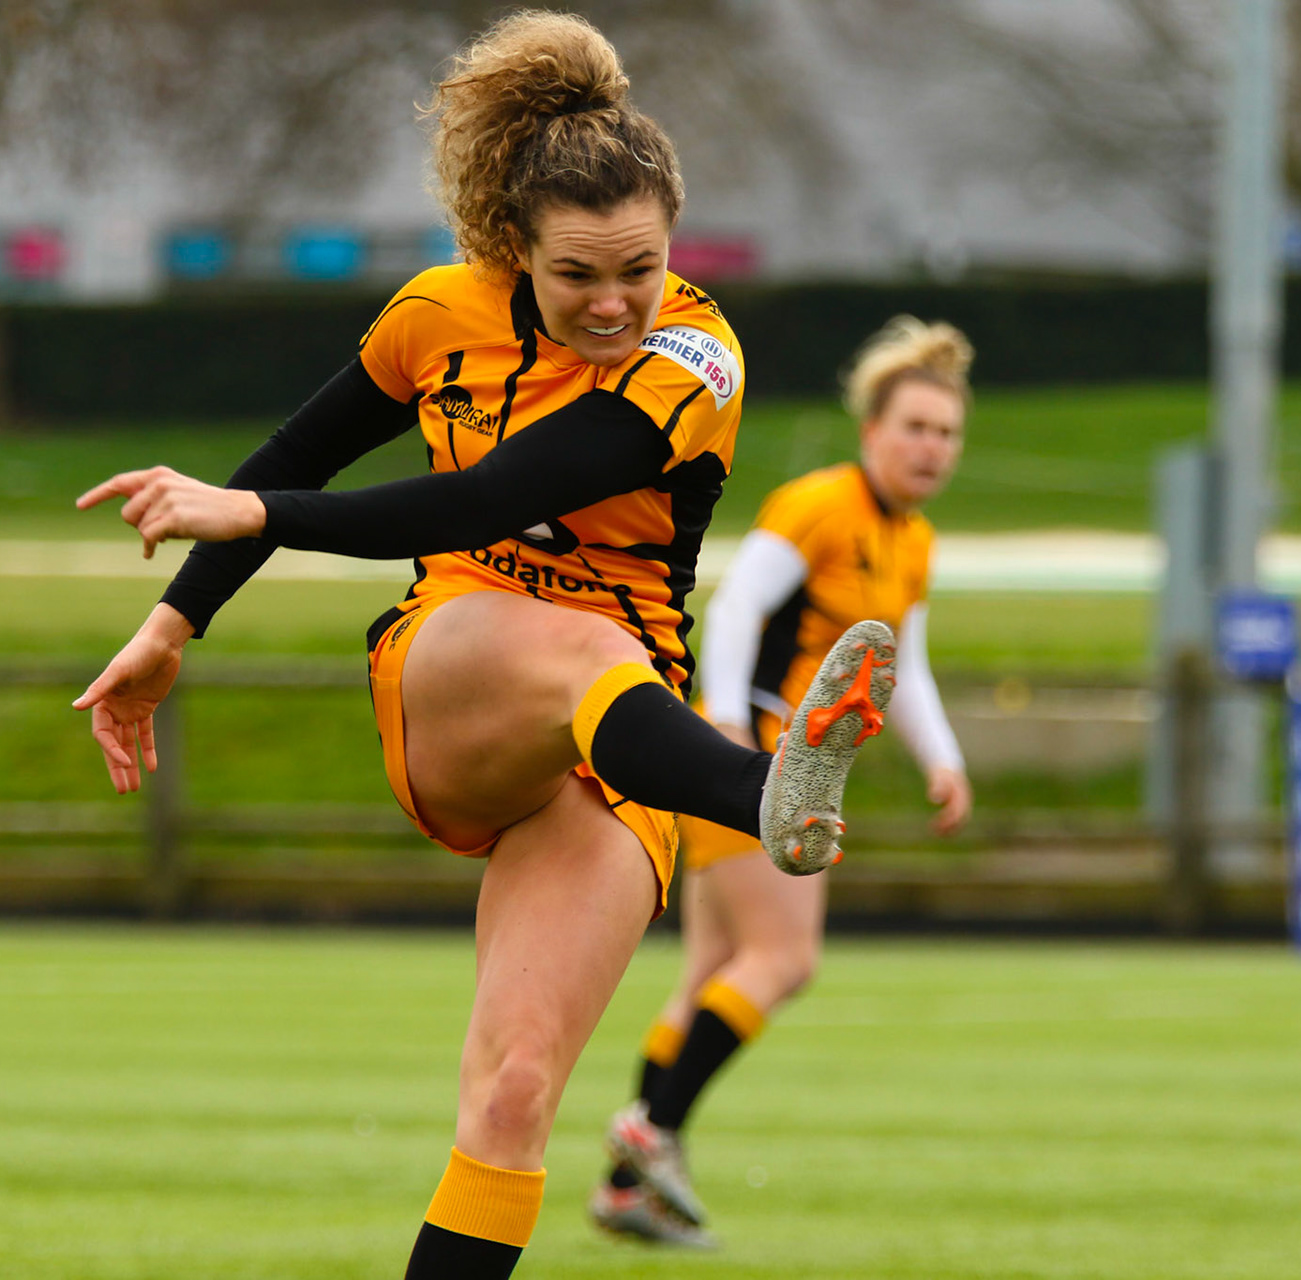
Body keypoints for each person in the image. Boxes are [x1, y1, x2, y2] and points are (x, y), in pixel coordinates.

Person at [70, 13, 895, 1278]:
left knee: (514, 1093)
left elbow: (502, 486)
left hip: (625, 728)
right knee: (581, 651)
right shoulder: (436, 313)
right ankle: (762, 787)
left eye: (641, 267)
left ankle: (757, 787)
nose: (614, 301)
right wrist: (172, 621)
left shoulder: (696, 353)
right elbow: (310, 462)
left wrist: (258, 513)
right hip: (456, 670)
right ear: (516, 245)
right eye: (578, 274)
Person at [591, 316, 974, 1247]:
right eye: (915, 427)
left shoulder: (913, 539)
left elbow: (906, 664)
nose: (931, 447)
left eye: (947, 432)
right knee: (784, 960)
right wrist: (725, 724)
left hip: (768, 759)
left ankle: (628, 1189)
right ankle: (653, 1128)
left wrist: (943, 759)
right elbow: (735, 608)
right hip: (757, 756)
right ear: (871, 431)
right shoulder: (819, 505)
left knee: (714, 972)